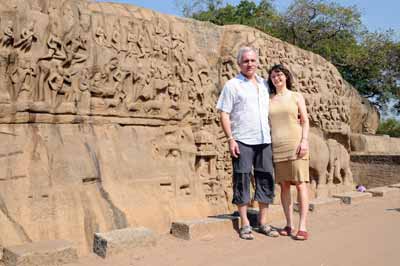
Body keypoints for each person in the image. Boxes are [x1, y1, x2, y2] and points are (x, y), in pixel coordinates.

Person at [216, 47, 278, 240]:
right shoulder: (232, 85)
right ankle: (244, 222)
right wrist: (230, 139)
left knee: (265, 178)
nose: (249, 64)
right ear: (239, 64)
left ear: (257, 62)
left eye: (252, 60)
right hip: (242, 139)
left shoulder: (265, 84)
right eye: (245, 61)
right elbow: (224, 113)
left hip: (264, 139)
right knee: (242, 179)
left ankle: (263, 222)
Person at [267, 64, 310, 240]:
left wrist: (304, 141)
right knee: (284, 185)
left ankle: (303, 226)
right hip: (277, 145)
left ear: (286, 77)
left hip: (296, 143)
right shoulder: (269, 99)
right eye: (273, 76)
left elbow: (306, 121)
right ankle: (289, 224)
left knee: (300, 183)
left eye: (279, 75)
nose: (276, 78)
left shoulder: (296, 96)